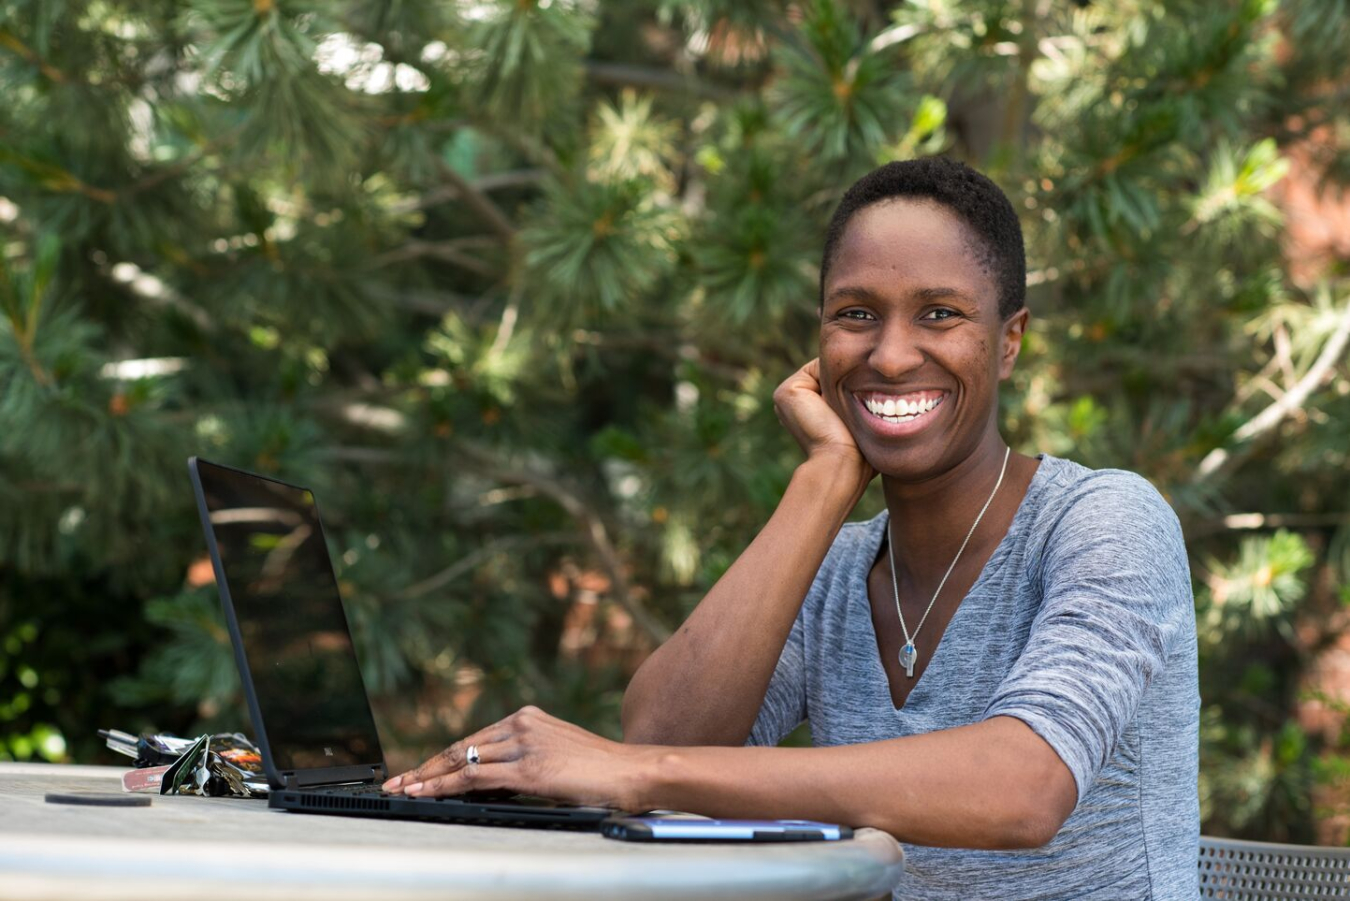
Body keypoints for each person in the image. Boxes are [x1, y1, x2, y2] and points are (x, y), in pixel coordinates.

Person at [382, 157, 1201, 899]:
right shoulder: (839, 567)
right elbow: (668, 738)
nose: (887, 355)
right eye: (855, 313)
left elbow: (1023, 789)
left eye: (940, 313)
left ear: (1009, 340)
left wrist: (633, 770)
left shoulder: (1106, 521)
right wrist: (824, 483)